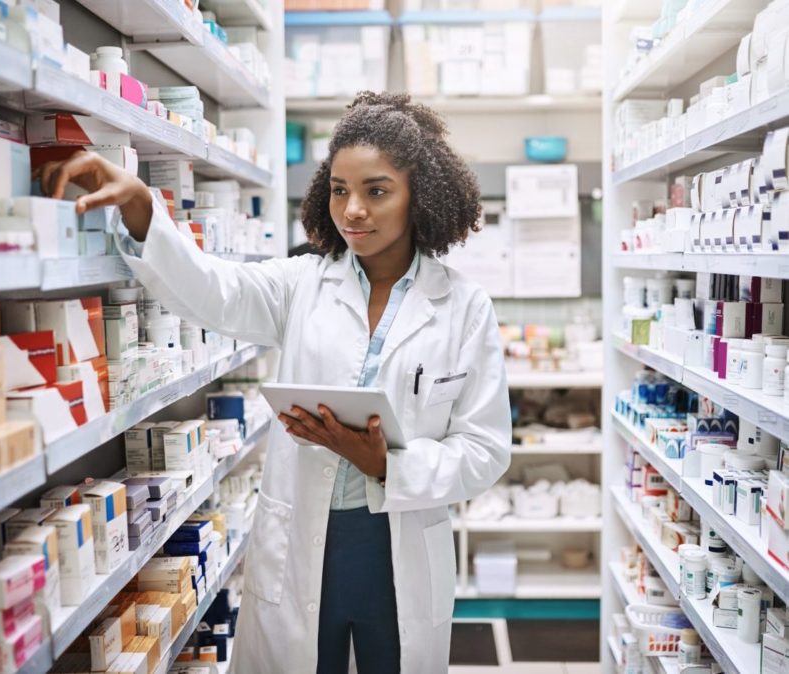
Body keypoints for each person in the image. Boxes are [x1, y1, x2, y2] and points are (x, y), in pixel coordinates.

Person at [36, 91, 512, 674]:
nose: (353, 210)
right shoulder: (302, 283)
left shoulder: (463, 306)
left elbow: (485, 449)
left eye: (376, 191)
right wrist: (142, 209)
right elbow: (215, 290)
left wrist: (386, 464)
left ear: (421, 196)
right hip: (304, 545)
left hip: (398, 546)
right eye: (339, 190)